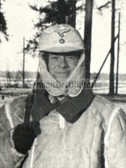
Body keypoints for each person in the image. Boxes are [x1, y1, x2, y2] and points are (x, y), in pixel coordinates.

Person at [0, 23, 126, 168]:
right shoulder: (15, 112)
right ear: (44, 62)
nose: (63, 65)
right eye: (55, 58)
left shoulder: (109, 117)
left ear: (80, 61)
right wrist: (13, 146)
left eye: (70, 57)